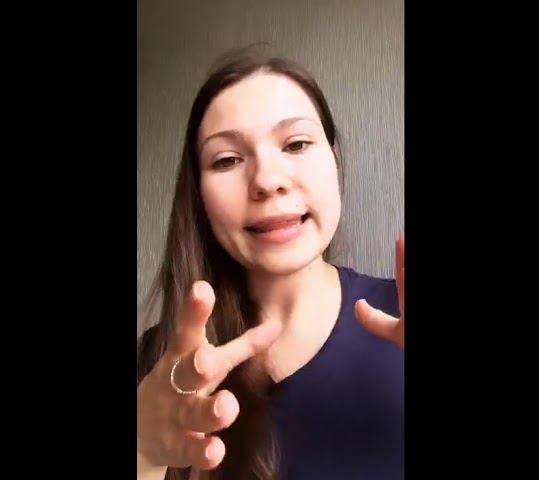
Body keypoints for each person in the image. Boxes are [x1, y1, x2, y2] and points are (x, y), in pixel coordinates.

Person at [137, 49, 404, 480]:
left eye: (296, 144)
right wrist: (143, 452)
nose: (266, 180)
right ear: (199, 195)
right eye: (227, 160)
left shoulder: (399, 317)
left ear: (334, 159)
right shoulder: (161, 366)